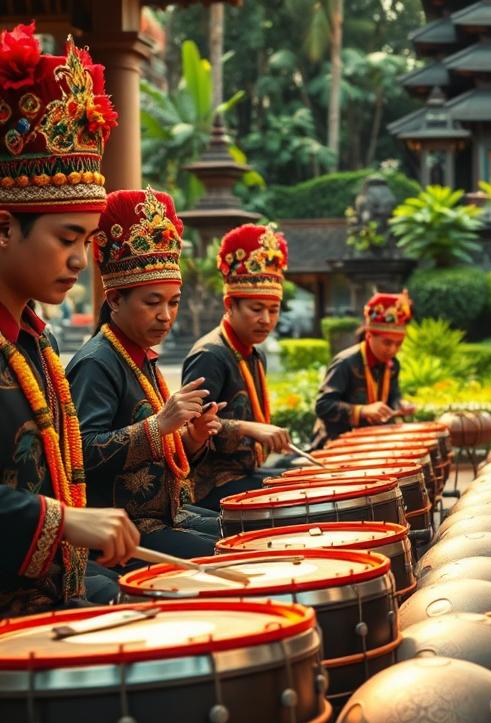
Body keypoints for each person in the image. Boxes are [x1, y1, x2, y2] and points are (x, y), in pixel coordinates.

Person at [0, 24, 139, 616]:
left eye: (87, 240)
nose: (81, 261)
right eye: (67, 238)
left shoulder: (36, 336)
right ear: (5, 228)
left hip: (55, 597)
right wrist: (62, 520)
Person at [66, 189, 223, 559]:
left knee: (243, 533)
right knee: (226, 555)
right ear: (115, 300)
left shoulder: (140, 356)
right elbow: (80, 454)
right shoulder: (97, 362)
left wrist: (192, 439)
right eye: (152, 302)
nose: (166, 316)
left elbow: (158, 453)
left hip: (165, 516)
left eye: (173, 302)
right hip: (124, 530)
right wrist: (160, 426)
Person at [183, 223, 293, 509]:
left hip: (247, 472)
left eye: (273, 310)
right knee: (294, 497)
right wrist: (250, 428)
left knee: (306, 480)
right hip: (212, 485)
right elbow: (191, 428)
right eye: (256, 309)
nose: (266, 320)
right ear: (229, 305)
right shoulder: (210, 355)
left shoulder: (256, 355)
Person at [314, 290, 416, 444]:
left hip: (374, 440)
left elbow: (393, 395)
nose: (393, 350)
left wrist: (400, 404)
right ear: (369, 336)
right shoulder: (345, 362)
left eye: (398, 344)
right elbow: (323, 406)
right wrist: (361, 410)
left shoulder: (393, 364)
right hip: (337, 443)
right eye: (387, 343)